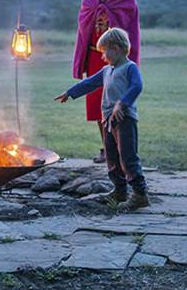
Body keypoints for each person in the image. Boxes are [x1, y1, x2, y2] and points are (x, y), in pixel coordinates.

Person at [56, 27, 149, 210]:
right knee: (112, 157)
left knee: (127, 157)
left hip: (124, 119)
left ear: (115, 48)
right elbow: (89, 83)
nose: (102, 57)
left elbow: (137, 86)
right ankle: (119, 191)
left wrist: (122, 103)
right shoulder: (107, 70)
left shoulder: (130, 68)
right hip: (108, 119)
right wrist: (70, 93)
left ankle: (140, 195)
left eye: (104, 52)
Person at [72, 0, 140, 163]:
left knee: (118, 101)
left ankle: (122, 148)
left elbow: (131, 29)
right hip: (95, 56)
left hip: (117, 58)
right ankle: (106, 148)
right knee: (97, 105)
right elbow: (83, 29)